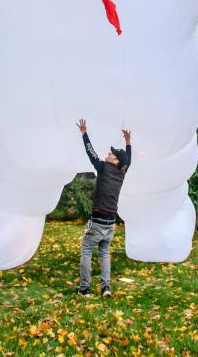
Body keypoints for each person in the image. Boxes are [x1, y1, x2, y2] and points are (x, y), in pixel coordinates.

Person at [75, 118, 131, 297]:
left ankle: (84, 289)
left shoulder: (104, 168)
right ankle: (106, 287)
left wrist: (84, 133)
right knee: (104, 252)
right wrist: (128, 142)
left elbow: (90, 153)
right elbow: (128, 160)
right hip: (111, 222)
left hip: (98, 221)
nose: (109, 153)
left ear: (114, 162)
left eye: (112, 154)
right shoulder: (122, 172)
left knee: (86, 250)